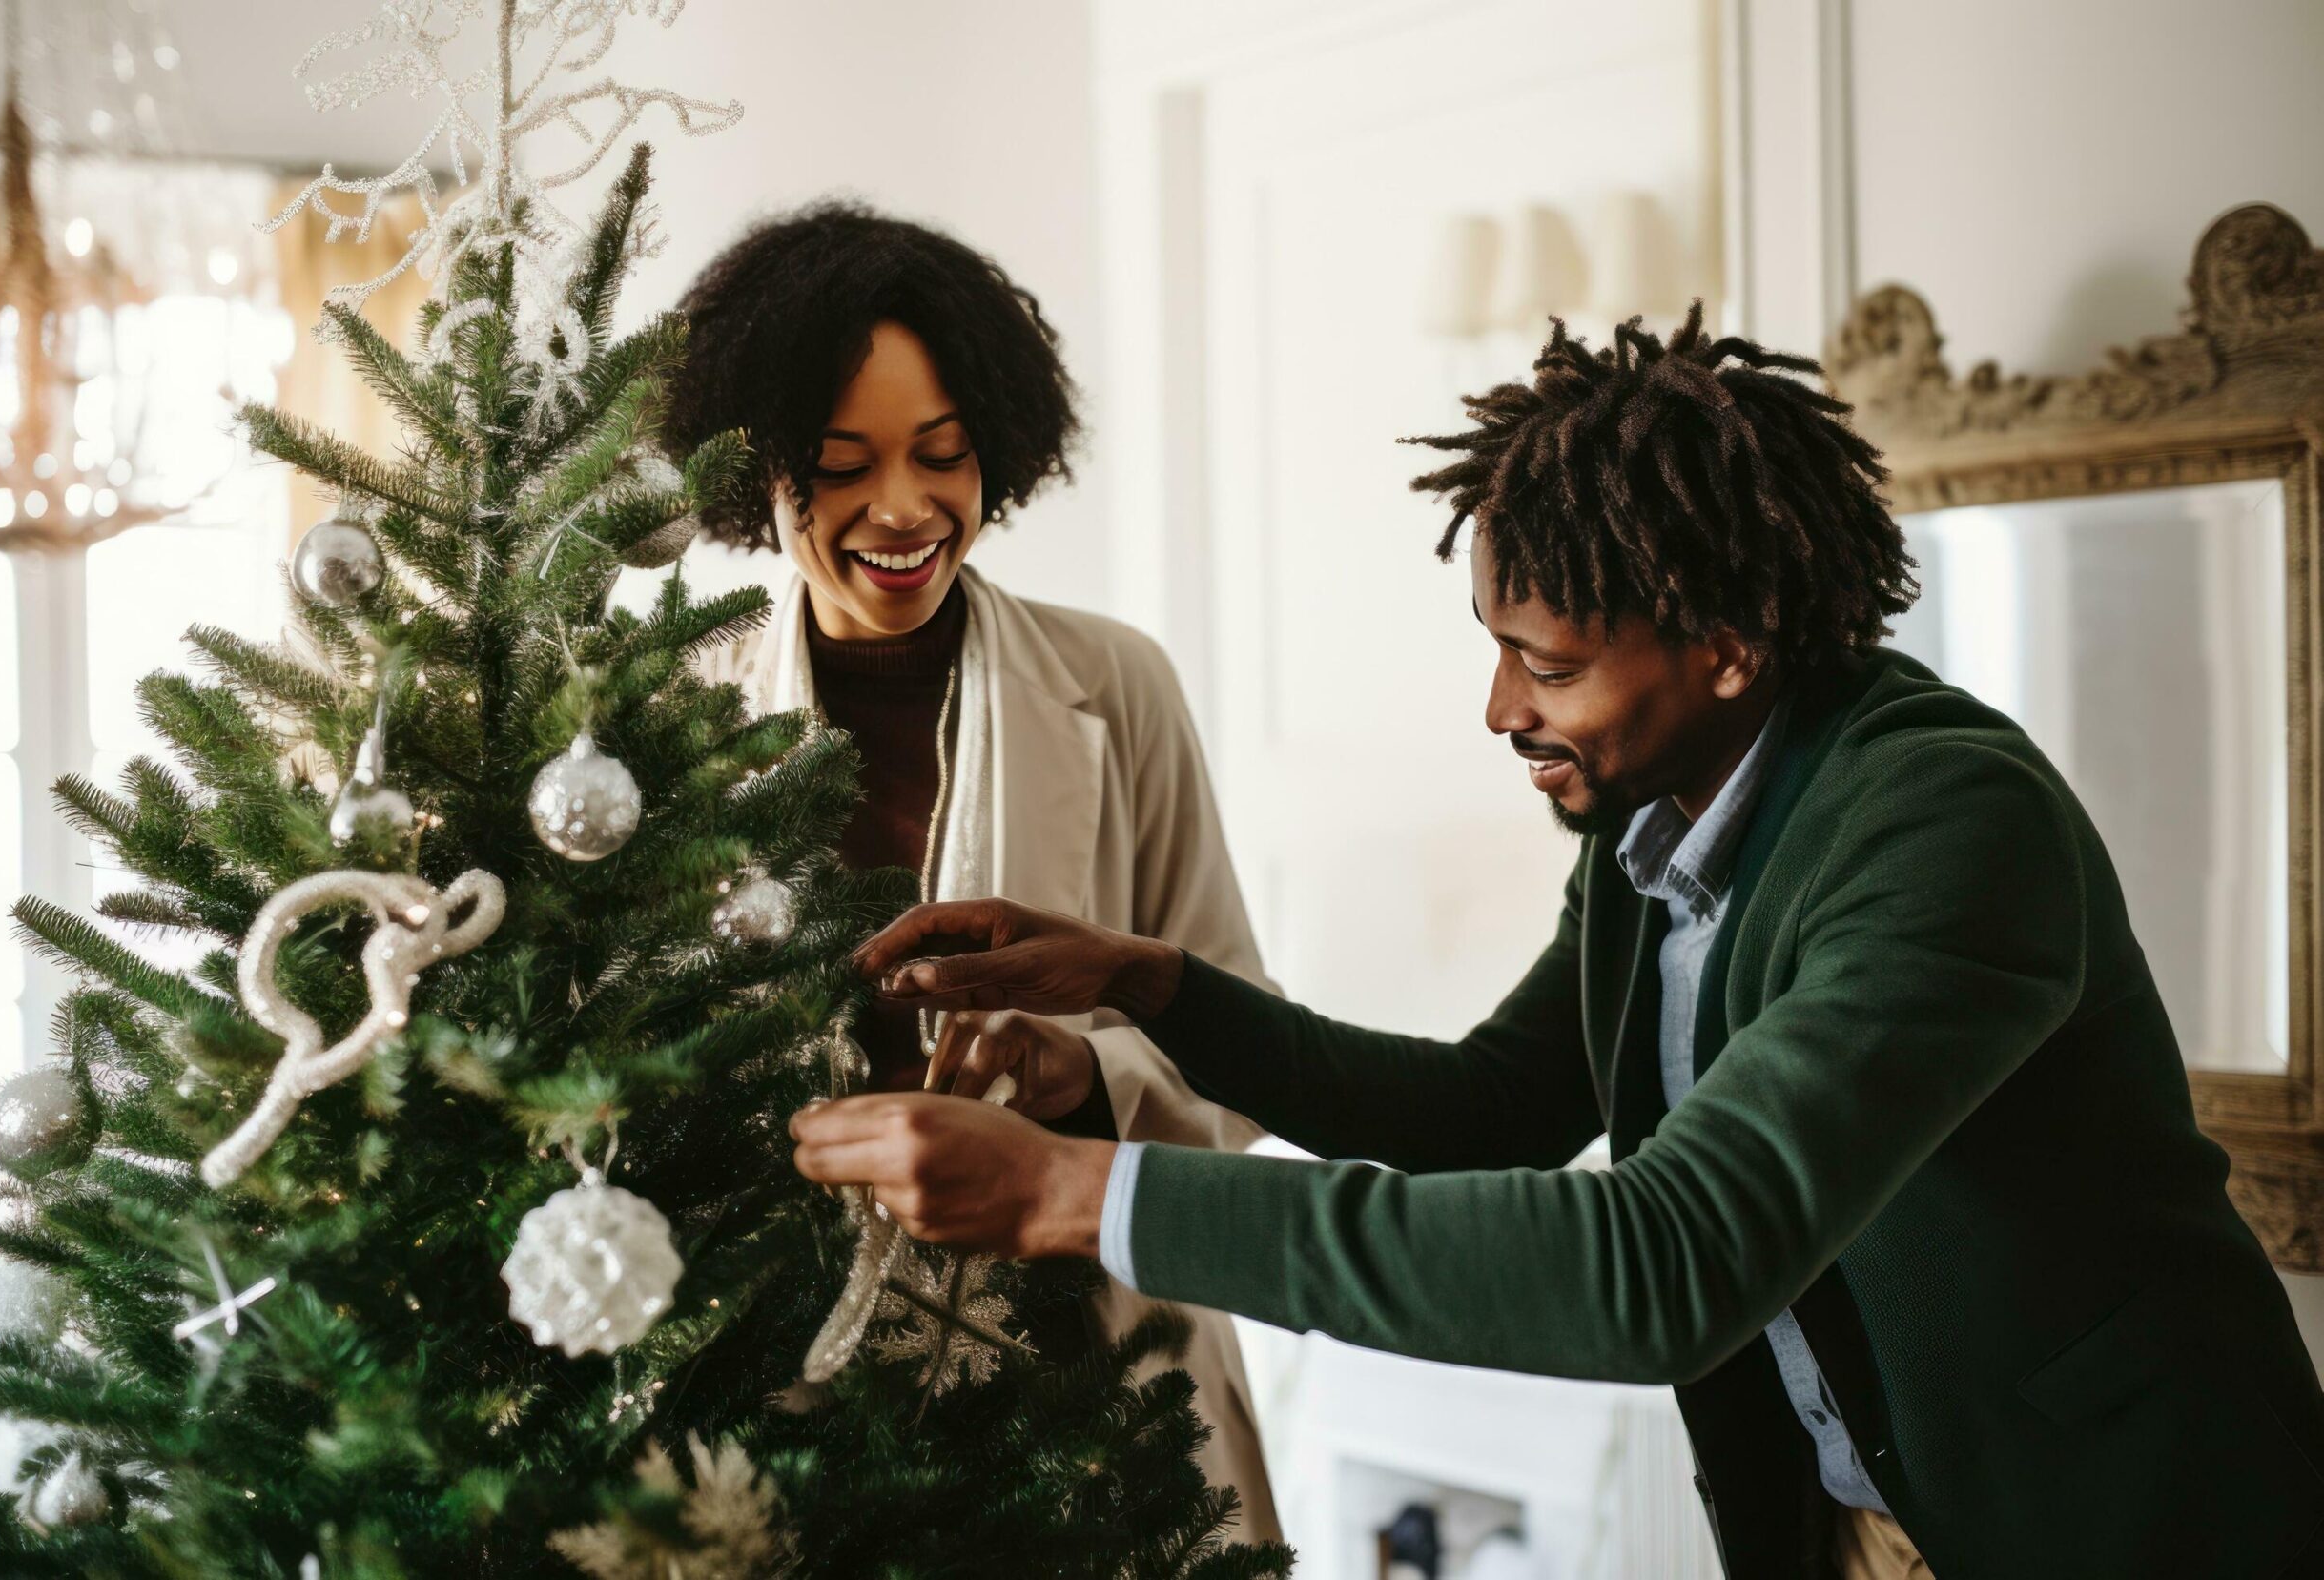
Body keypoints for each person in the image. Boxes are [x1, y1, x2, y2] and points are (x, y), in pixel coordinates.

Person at [791, 310, 2324, 1579]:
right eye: (1496, 649)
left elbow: (1667, 1258)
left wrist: (1081, 1193)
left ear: (1727, 642)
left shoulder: (1945, 827)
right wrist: (1147, 980)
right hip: (1854, 1529)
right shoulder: (1658, 819)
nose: (1502, 712)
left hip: (2128, 1528)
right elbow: (1487, 1108)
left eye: (1548, 663)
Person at [663, 203, 1280, 1545]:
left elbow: (1242, 1029)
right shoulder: (670, 716)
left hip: (1097, 1377)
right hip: (787, 1401)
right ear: (760, 471)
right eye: (842, 466)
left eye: (945, 457)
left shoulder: (1119, 686)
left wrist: (1091, 1076)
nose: (906, 510)